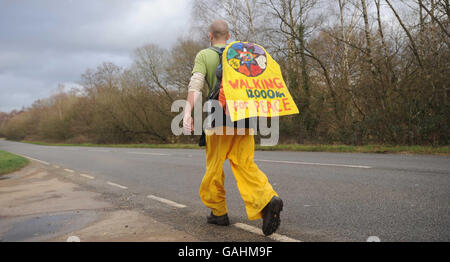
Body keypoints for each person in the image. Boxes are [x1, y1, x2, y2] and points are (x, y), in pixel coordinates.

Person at [183, 20, 283, 236]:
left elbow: (196, 85)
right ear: (228, 36)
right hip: (245, 114)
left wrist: (187, 112)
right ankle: (267, 199)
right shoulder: (242, 54)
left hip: (218, 115)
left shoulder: (204, 56)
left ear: (211, 35)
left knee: (215, 167)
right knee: (245, 163)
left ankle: (219, 212)